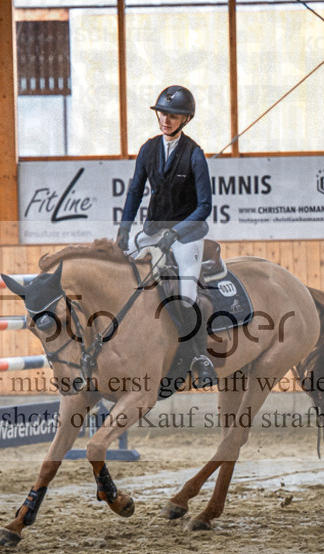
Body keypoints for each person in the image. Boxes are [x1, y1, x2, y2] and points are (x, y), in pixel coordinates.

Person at [116, 85, 216, 389]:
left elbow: (204, 207)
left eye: (173, 115)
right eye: (162, 113)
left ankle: (200, 357)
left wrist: (176, 231)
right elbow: (135, 192)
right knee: (118, 268)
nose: (165, 119)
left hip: (186, 236)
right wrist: (124, 229)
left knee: (185, 294)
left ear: (185, 119)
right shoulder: (148, 149)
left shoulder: (195, 155)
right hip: (153, 231)